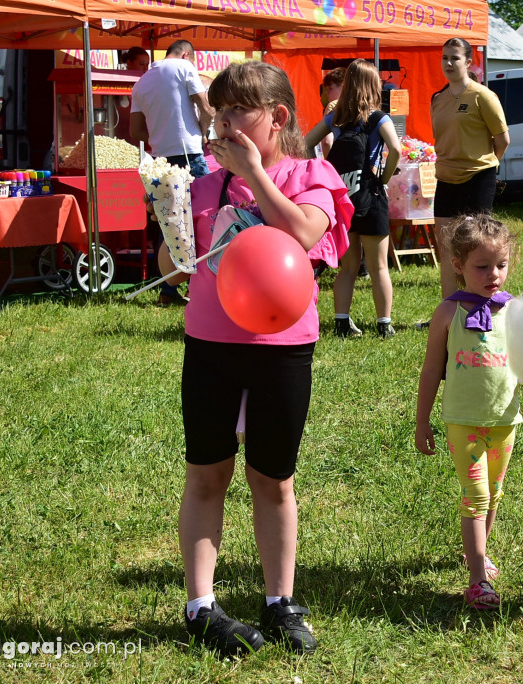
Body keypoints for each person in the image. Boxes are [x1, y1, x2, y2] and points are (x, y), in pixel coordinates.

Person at [156, 60, 353, 657]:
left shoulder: (309, 173)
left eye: (237, 110)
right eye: (217, 112)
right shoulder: (204, 184)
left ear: (278, 117)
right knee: (207, 472)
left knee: (273, 479)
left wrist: (256, 176)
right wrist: (168, 221)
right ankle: (200, 606)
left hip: (281, 348)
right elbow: (178, 269)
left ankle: (280, 602)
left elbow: (301, 234)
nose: (223, 121)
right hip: (211, 345)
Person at [415, 214, 523, 610]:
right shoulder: (447, 314)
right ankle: (477, 579)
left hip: (505, 420)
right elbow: (432, 369)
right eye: (481, 267)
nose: (493, 275)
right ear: (458, 266)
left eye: (500, 265)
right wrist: (422, 420)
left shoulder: (515, 311)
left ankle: (478, 552)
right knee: (476, 497)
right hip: (462, 421)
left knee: (495, 495)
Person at [305, 59, 401, 338]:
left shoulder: (336, 118)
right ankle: (384, 324)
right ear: (374, 85)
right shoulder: (377, 117)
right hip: (371, 194)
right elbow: (395, 148)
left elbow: (306, 143)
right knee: (378, 265)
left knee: (347, 267)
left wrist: (320, 174)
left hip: (342, 200)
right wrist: (383, 179)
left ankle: (341, 322)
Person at [131, 39, 215, 306]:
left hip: (161, 158)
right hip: (189, 152)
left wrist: (158, 138)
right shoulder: (184, 66)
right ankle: (203, 284)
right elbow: (205, 106)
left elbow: (135, 132)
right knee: (205, 217)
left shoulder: (141, 82)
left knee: (168, 221)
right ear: (188, 54)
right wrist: (204, 133)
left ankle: (168, 289)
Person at [431, 38, 510, 299]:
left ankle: (480, 305)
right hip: (445, 178)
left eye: (454, 57)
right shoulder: (438, 99)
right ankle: (449, 309)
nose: (449, 63)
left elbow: (502, 140)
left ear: (468, 62)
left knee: (477, 246)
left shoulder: (483, 96)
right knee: (446, 249)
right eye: (445, 57)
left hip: (478, 178)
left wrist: (485, 167)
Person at [316, 67, 345, 159]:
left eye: (330, 88)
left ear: (343, 87)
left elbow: (326, 142)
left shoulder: (332, 107)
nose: (326, 93)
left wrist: (329, 166)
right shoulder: (360, 108)